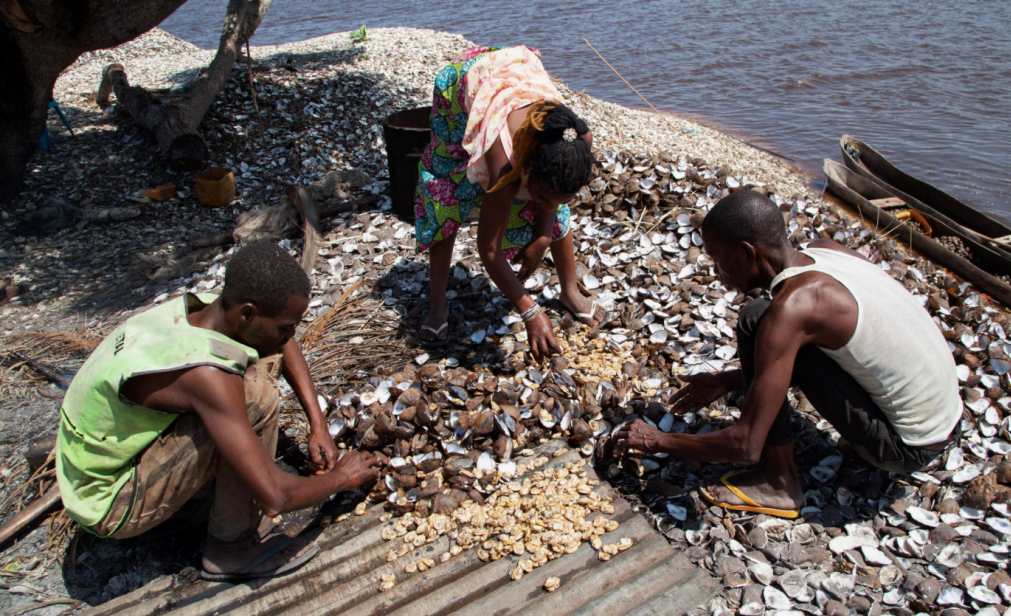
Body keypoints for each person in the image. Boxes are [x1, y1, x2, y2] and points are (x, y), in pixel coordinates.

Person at [610, 190, 963, 518]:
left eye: (719, 262)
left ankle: (779, 483)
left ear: (748, 253)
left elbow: (746, 446)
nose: (718, 275)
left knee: (756, 319)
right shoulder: (825, 251)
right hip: (947, 425)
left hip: (907, 449)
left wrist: (660, 441)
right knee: (768, 324)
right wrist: (727, 381)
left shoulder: (794, 308)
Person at [55, 242, 380, 581]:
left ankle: (202, 500)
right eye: (287, 326)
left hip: (97, 457)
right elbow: (276, 495)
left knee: (261, 356)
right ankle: (230, 549)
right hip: (109, 502)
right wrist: (341, 478)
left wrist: (318, 425)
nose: (291, 335)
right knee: (256, 397)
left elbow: (282, 341)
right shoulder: (206, 375)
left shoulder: (211, 307)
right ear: (247, 313)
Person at [414, 45, 604, 361]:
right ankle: (437, 303)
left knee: (555, 205)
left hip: (516, 74)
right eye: (539, 196)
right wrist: (529, 310)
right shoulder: (505, 164)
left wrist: (544, 236)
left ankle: (570, 292)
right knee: (445, 197)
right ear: (525, 169)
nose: (546, 206)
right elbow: (487, 249)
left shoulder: (577, 140)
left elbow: (552, 201)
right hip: (464, 87)